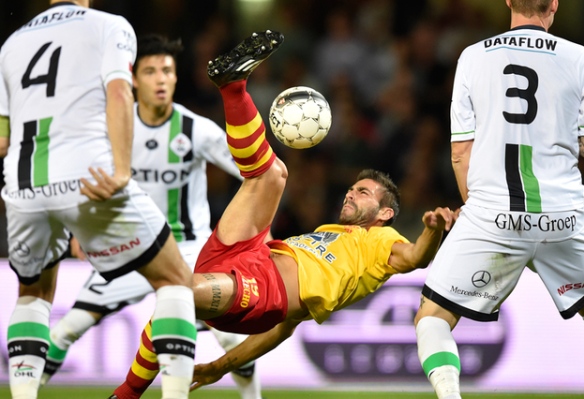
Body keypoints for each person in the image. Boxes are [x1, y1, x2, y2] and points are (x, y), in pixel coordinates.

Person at [110, 30, 458, 398]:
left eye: (364, 192)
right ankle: (233, 86)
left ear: (385, 212)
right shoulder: (330, 232)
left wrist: (433, 230)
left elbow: (416, 258)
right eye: (352, 187)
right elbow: (283, 330)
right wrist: (219, 366)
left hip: (264, 292)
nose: (351, 193)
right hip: (254, 252)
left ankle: (127, 393)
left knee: (179, 291)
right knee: (272, 174)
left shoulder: (382, 242)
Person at [37, 34, 264, 399]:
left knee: (230, 335)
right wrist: (81, 229)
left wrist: (249, 235)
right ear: (133, 79)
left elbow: (257, 174)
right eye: (151, 71)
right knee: (66, 330)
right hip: (131, 248)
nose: (161, 79)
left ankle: (252, 397)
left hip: (189, 250)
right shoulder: (113, 129)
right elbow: (86, 179)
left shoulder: (197, 130)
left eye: (168, 71)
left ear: (176, 78)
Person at [0, 2, 197, 399]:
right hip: (88, 178)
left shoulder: (12, 43)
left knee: (32, 294)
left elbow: (3, 138)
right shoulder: (109, 25)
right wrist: (122, 170)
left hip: (23, 184)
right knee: (175, 278)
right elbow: (120, 93)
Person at [413, 1, 584, 398]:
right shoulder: (580, 58)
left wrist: (470, 209)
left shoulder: (473, 56)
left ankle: (449, 395)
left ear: (509, 1)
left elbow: (460, 152)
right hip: (562, 217)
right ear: (554, 4)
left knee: (433, 318)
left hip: (493, 215)